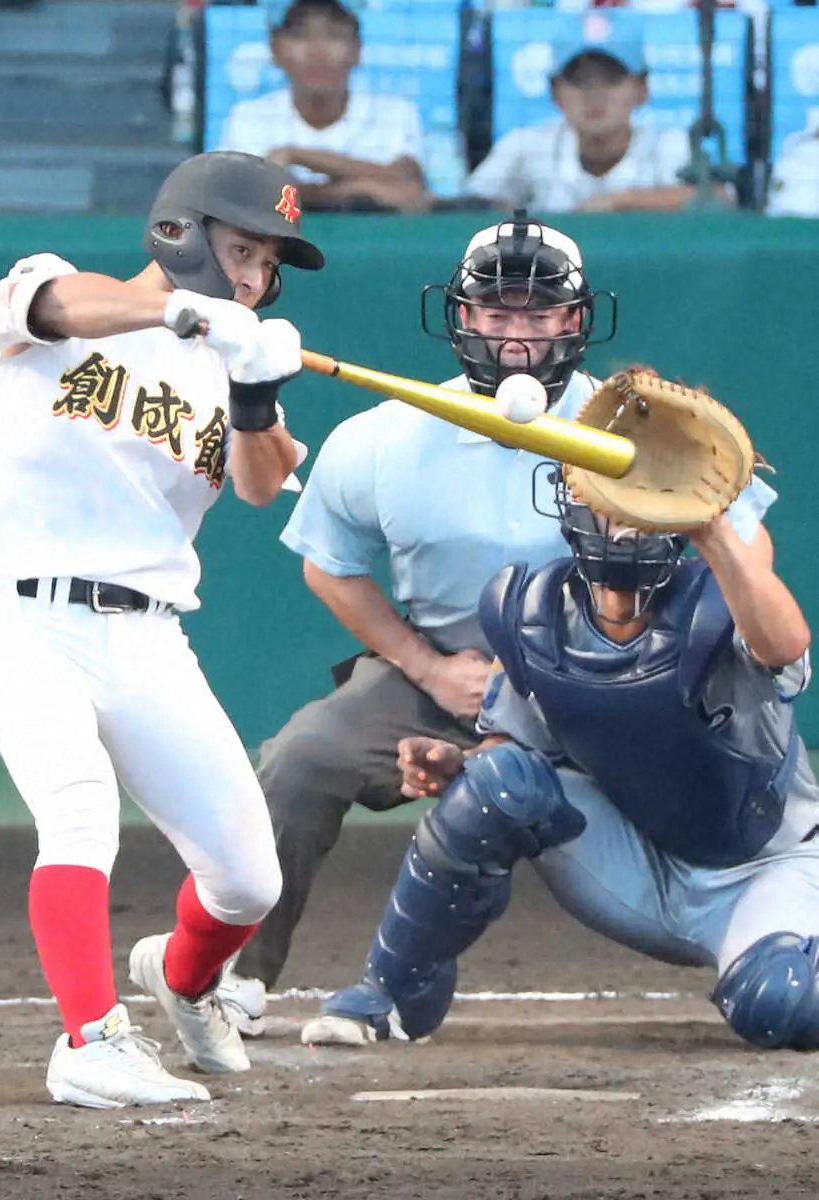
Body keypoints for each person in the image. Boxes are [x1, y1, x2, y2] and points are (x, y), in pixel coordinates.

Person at [0, 150, 324, 1108]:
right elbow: (63, 307)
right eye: (239, 247)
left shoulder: (224, 358)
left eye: (265, 259)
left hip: (146, 633)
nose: (251, 275)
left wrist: (253, 391)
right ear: (183, 232)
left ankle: (184, 978)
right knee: (77, 806)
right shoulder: (48, 298)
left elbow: (258, 483)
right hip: (22, 615)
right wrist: (174, 311)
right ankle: (89, 1040)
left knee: (248, 881)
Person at [216, 212, 622, 1035]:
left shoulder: (636, 430)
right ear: (462, 317)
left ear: (575, 322)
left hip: (604, 679)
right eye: (497, 313)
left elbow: (729, 544)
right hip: (442, 672)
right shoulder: (383, 436)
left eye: (537, 314)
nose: (516, 336)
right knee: (301, 759)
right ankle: (234, 978)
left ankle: (777, 944)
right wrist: (427, 669)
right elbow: (328, 564)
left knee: (714, 779)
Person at [302, 467, 819, 1053]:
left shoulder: (723, 600)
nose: (627, 520)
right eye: (613, 496)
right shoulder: (534, 613)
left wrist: (716, 530)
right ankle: (391, 996)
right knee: (496, 786)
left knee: (782, 1001)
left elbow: (786, 645)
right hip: (637, 866)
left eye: (647, 497)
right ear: (576, 501)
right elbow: (509, 748)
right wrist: (461, 764)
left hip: (765, 868)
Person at [367, 23, 703, 216]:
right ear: (555, 92)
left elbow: (716, 199)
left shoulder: (669, 143)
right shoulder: (527, 144)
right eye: (579, 81)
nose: (594, 96)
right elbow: (472, 203)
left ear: (642, 89)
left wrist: (617, 201)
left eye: (611, 80)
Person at [214, 0, 441, 212]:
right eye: (300, 35)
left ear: (357, 49)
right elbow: (248, 200)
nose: (317, 51)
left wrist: (296, 155)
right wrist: (360, 189)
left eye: (334, 35)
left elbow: (410, 189)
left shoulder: (396, 113)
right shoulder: (249, 117)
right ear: (275, 50)